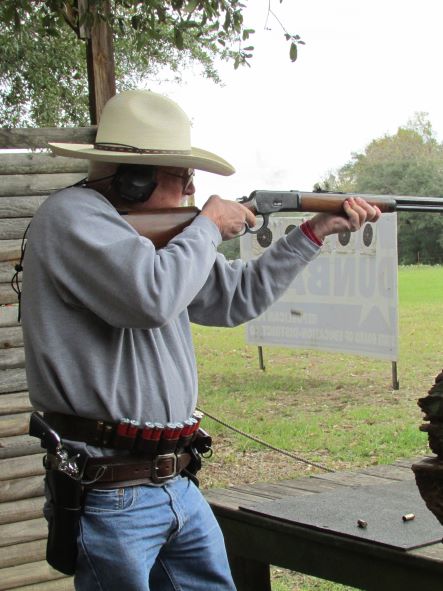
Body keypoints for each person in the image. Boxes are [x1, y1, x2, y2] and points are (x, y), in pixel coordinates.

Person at [21, 89, 380, 591]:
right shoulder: (71, 216)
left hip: (176, 478)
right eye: (183, 176)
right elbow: (149, 297)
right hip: (108, 485)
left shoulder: (163, 240)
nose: (192, 190)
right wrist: (208, 226)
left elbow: (235, 298)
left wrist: (312, 233)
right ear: (135, 177)